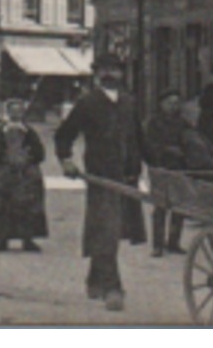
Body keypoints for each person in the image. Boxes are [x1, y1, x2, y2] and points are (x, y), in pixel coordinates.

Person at [55, 54, 146, 312]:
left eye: (115, 70)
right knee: (107, 230)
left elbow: (140, 138)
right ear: (97, 74)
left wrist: (159, 165)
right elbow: (64, 135)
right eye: (104, 70)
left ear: (122, 74)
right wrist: (66, 160)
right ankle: (112, 287)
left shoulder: (129, 102)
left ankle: (94, 280)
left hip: (128, 177)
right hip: (101, 177)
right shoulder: (88, 103)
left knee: (112, 230)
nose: (110, 75)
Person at [0, 98, 47, 253]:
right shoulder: (0, 132)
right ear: (8, 112)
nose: (16, 113)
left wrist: (28, 159)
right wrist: (5, 159)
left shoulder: (29, 132)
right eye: (13, 110)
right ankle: (3, 240)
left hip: (26, 176)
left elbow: (39, 152)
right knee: (3, 206)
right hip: (5, 175)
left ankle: (28, 239)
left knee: (28, 206)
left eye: (19, 110)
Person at [142, 88, 188, 258]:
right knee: (160, 206)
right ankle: (157, 245)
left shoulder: (182, 123)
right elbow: (148, 145)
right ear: (162, 104)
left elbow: (189, 141)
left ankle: (174, 242)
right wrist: (165, 152)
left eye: (177, 103)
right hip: (160, 168)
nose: (173, 106)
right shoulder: (154, 123)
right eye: (170, 103)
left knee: (179, 206)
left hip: (179, 168)